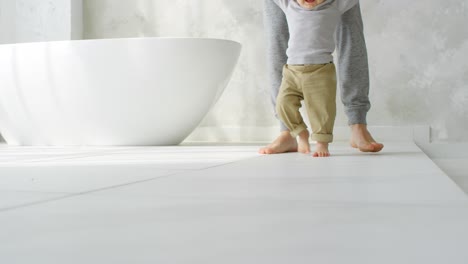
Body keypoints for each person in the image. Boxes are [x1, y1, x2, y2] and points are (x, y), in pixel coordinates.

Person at [260, 0, 384, 155]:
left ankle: (357, 122)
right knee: (276, 35)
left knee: (350, 34)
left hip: (320, 70)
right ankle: (289, 131)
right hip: (292, 71)